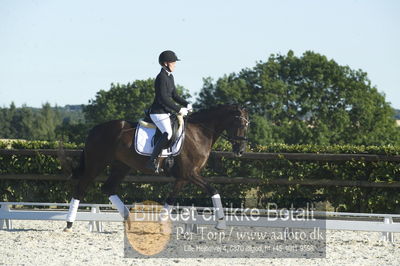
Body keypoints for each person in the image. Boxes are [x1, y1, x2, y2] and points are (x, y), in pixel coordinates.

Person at [146, 50, 192, 171]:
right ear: (166, 63)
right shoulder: (161, 78)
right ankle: (152, 161)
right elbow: (163, 98)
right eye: (173, 62)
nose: (175, 64)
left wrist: (186, 103)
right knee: (168, 133)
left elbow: (174, 95)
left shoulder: (170, 77)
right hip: (158, 112)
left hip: (166, 111)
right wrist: (178, 109)